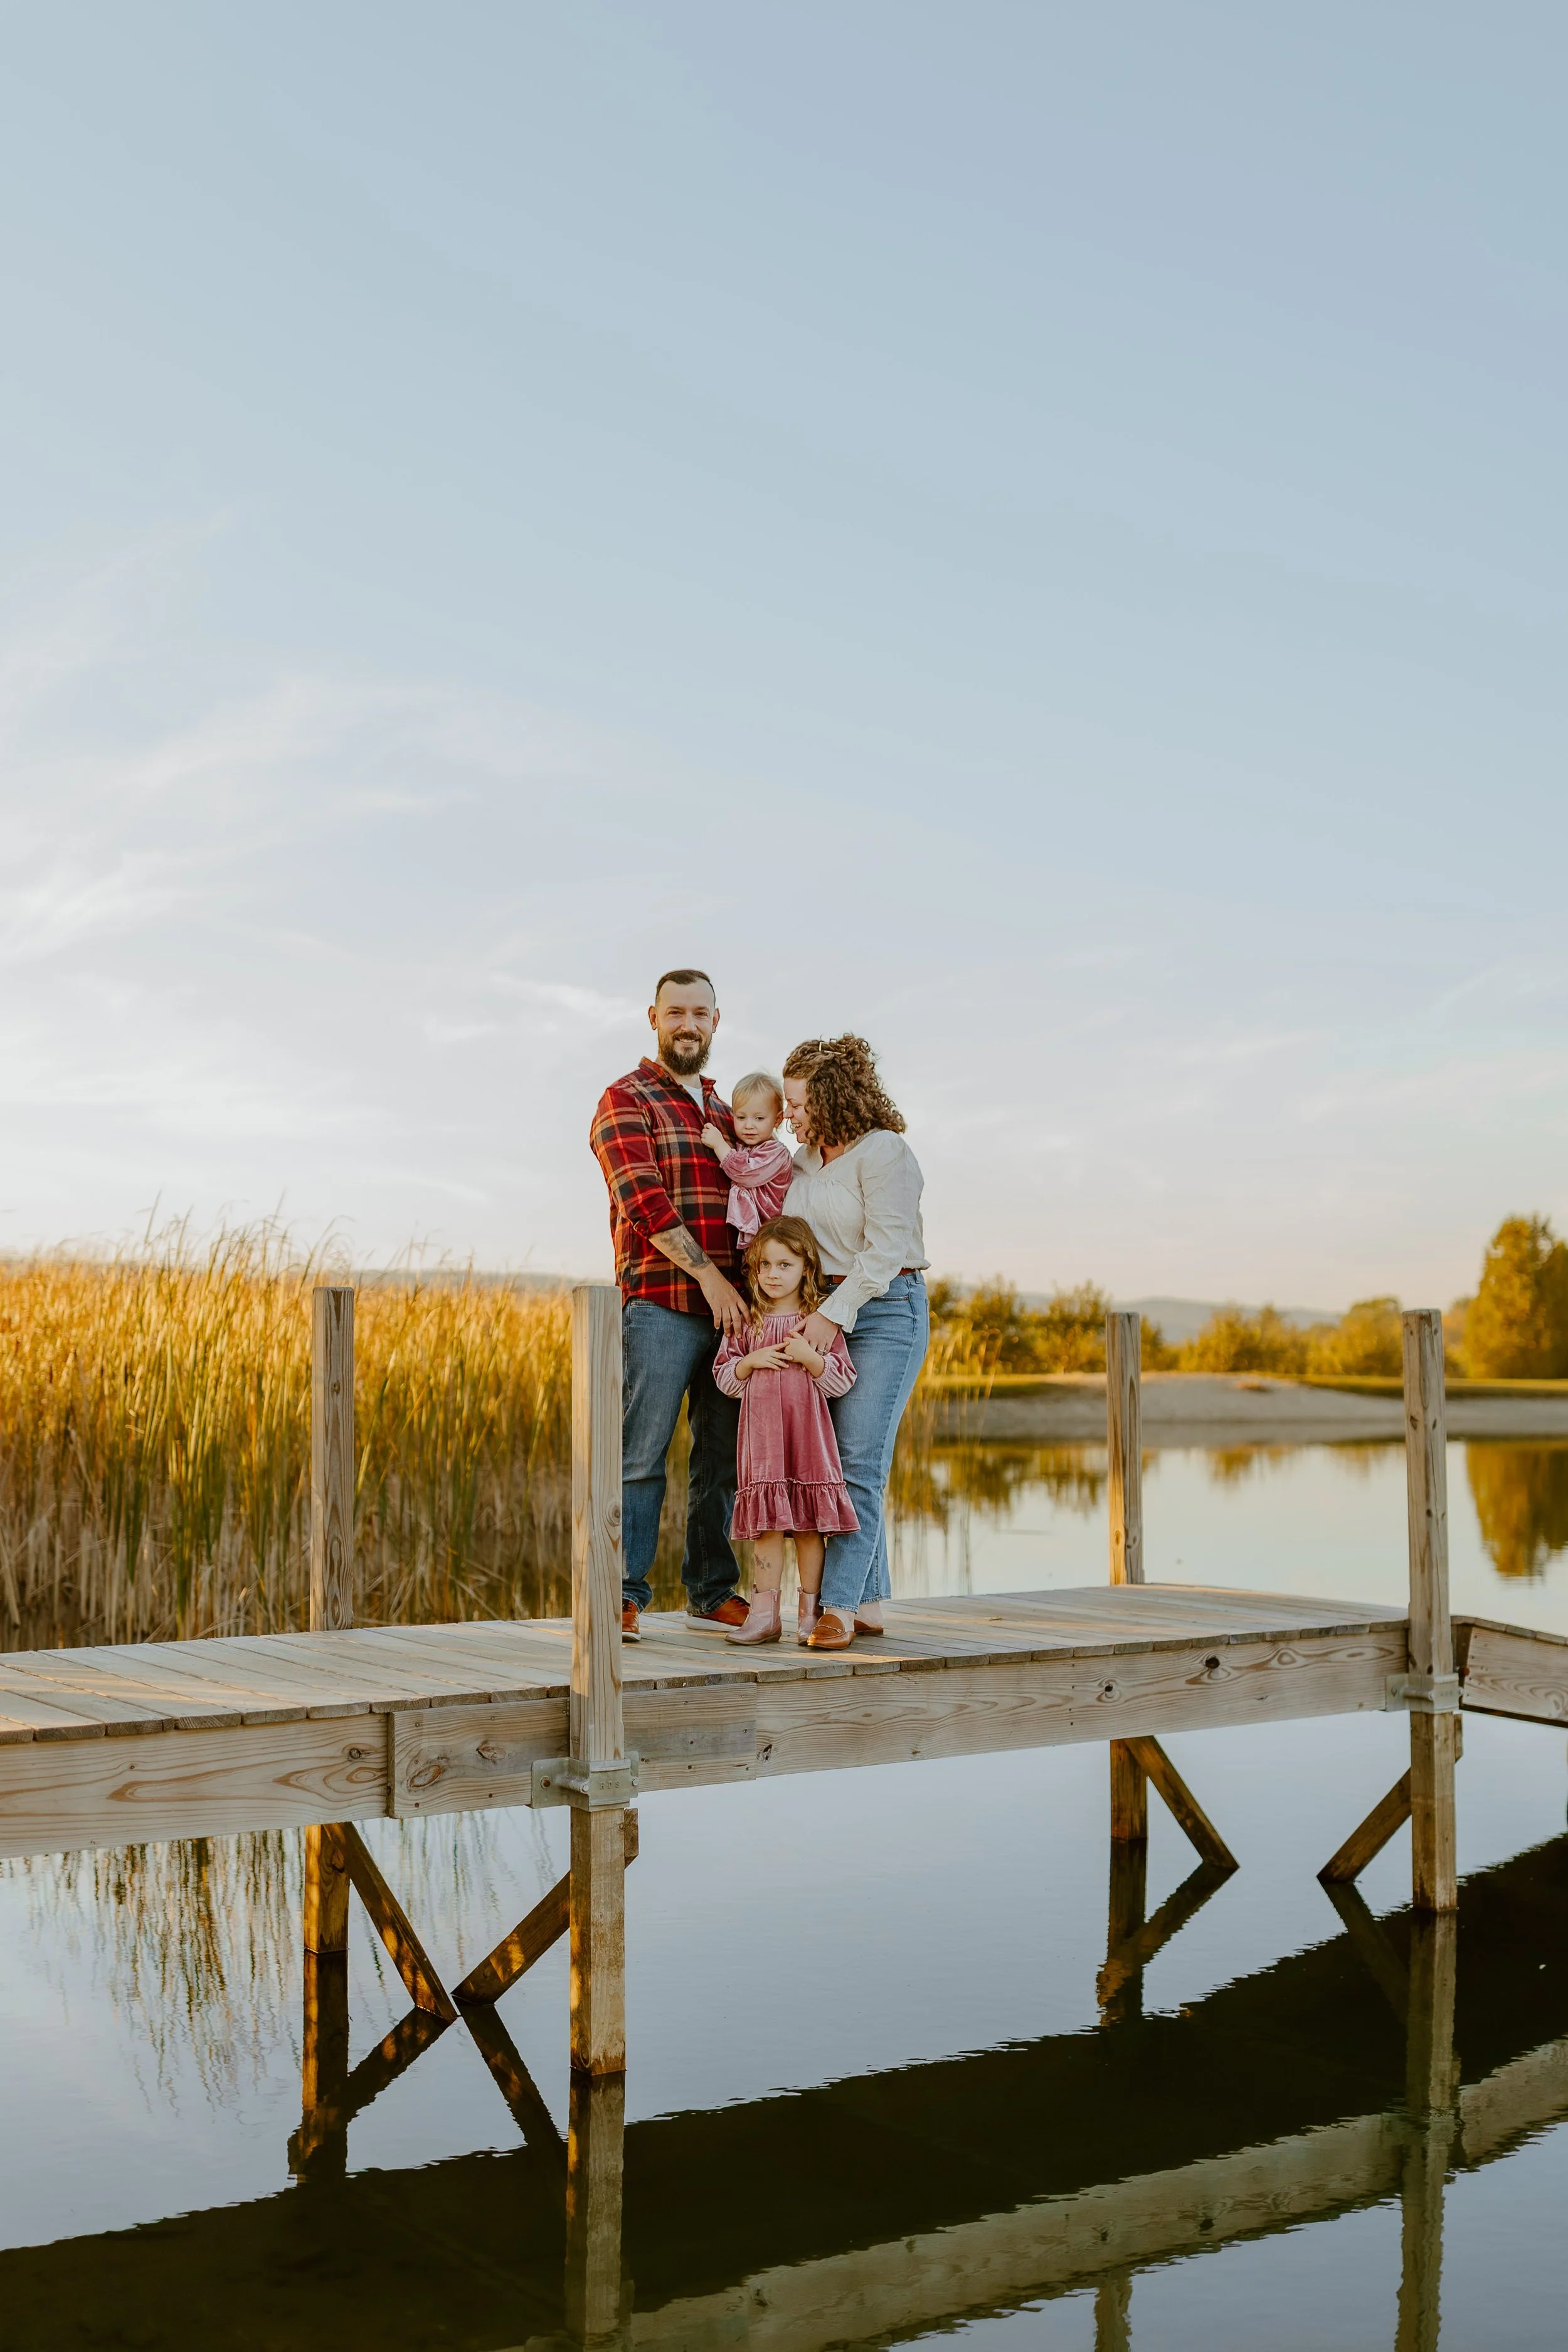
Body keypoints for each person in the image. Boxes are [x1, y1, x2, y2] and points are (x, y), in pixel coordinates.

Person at [589, 968, 752, 1641]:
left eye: (700, 1013)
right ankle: (623, 1594)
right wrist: (712, 1278)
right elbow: (644, 1200)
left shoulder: (731, 1111)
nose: (688, 1024)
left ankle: (712, 1592)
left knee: (722, 1461)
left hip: (736, 1316)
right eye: (675, 1012)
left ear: (717, 1022)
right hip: (660, 1304)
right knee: (641, 1456)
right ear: (653, 1018)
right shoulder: (624, 1098)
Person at [780, 1036, 929, 1651]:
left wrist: (832, 1318)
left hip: (887, 1310)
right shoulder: (804, 1162)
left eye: (796, 1103)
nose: (788, 1115)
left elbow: (885, 1251)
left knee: (859, 1463)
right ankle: (868, 1600)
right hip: (825, 1314)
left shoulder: (884, 1152)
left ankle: (836, 1608)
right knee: (834, 1464)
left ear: (829, 1096)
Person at [712, 1216, 859, 1647]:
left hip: (808, 1442)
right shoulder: (747, 1321)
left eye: (784, 1265)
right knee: (767, 1529)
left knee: (811, 1528)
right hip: (762, 1446)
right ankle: (763, 1616)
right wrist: (749, 1362)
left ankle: (811, 1615)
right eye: (764, 1266)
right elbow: (725, 1378)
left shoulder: (817, 1323)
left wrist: (807, 1356)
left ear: (806, 1269)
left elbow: (842, 1379)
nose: (772, 1275)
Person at [701, 1071, 794, 1254]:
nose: (749, 1125)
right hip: (752, 1241)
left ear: (777, 1119)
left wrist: (719, 1144)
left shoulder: (777, 1153)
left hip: (770, 1236)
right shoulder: (743, 1148)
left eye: (759, 1118)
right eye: (741, 1118)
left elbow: (746, 1172)